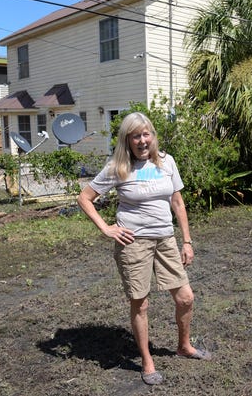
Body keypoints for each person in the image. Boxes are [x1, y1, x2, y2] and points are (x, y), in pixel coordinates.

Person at [77, 112, 211, 386]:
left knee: (185, 297)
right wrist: (107, 228)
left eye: (146, 134)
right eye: (135, 135)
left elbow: (177, 202)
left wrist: (186, 240)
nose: (142, 140)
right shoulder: (118, 166)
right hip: (133, 243)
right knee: (141, 302)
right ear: (127, 139)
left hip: (165, 240)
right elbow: (85, 197)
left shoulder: (166, 161)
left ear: (153, 135)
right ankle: (147, 361)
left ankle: (184, 346)